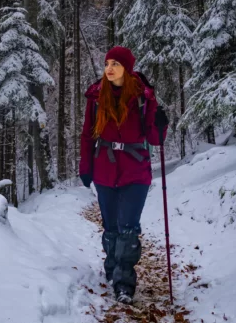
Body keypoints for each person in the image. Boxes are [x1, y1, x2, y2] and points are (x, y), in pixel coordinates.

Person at [78, 46, 169, 305]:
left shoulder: (143, 97)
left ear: (127, 69)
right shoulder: (96, 98)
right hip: (104, 171)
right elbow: (87, 135)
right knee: (112, 229)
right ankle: (113, 267)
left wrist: (161, 124)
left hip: (135, 170)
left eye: (115, 63)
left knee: (128, 229)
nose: (109, 68)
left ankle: (124, 283)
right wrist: (86, 167)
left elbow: (154, 138)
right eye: (107, 63)